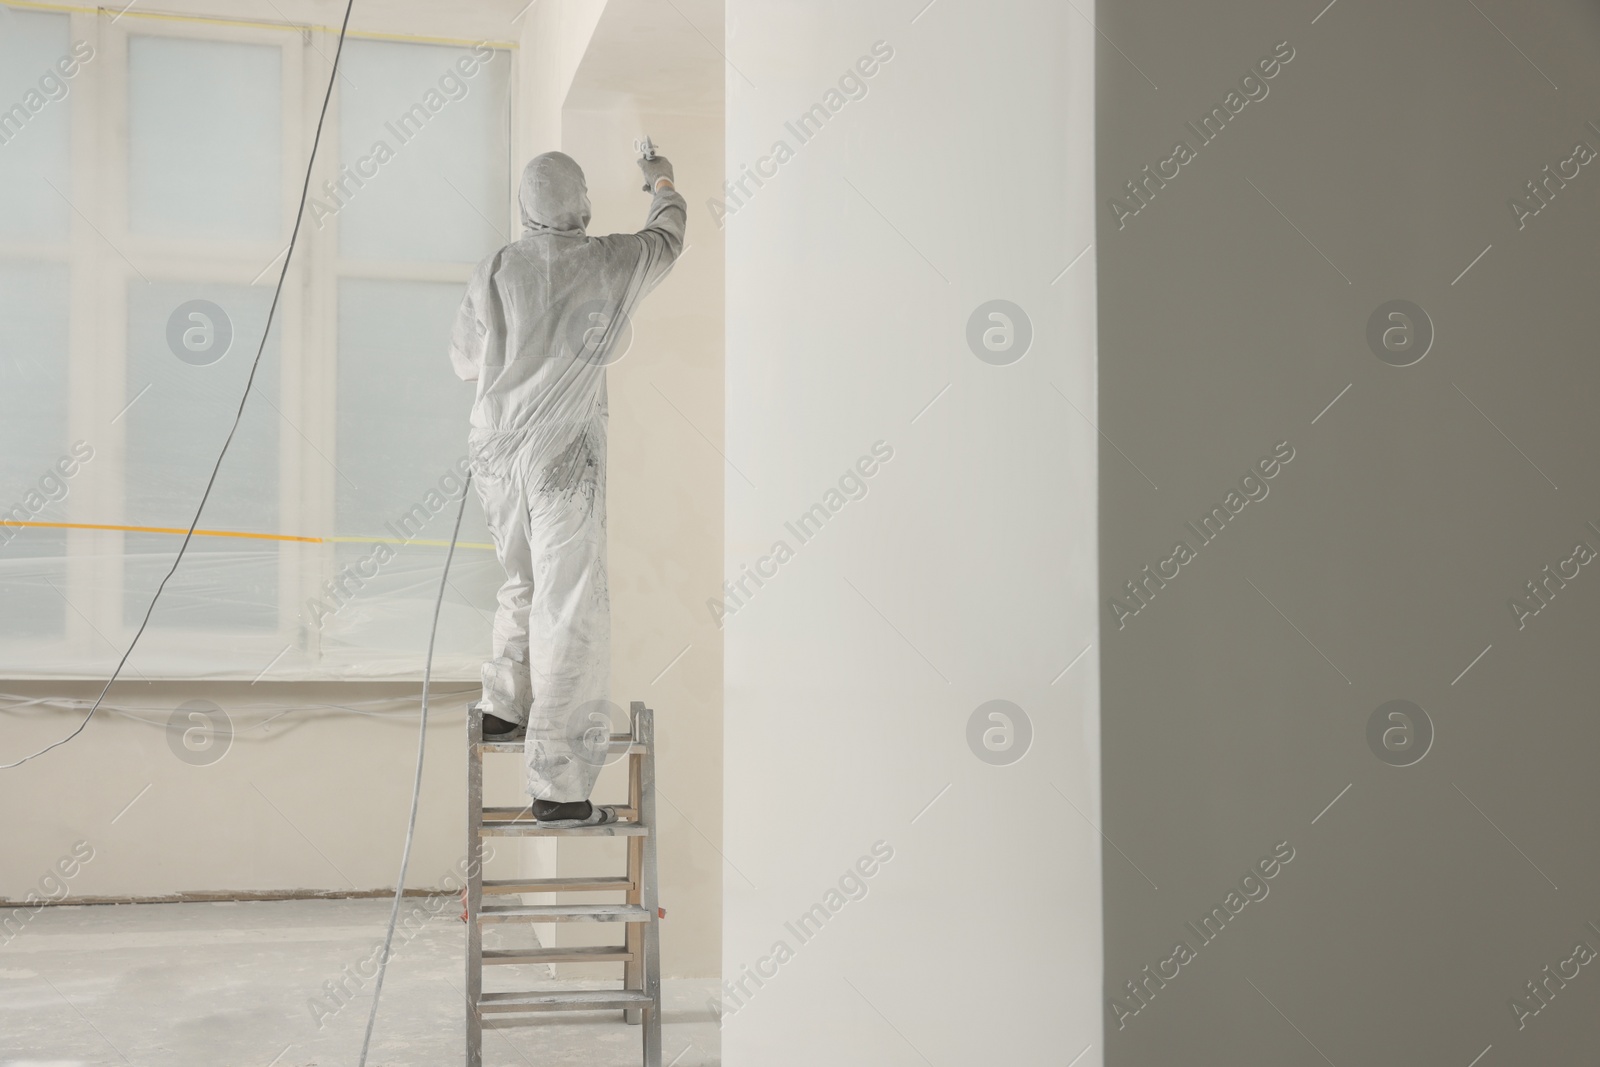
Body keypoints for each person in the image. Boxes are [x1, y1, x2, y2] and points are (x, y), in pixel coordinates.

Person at [449, 149, 684, 827]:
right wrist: (660, 181)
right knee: (570, 602)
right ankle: (558, 782)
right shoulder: (606, 261)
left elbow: (465, 359)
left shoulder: (496, 267)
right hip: (559, 455)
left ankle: (502, 705)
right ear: (578, 202)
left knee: (520, 577)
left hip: (494, 449)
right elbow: (667, 238)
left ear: (526, 207)